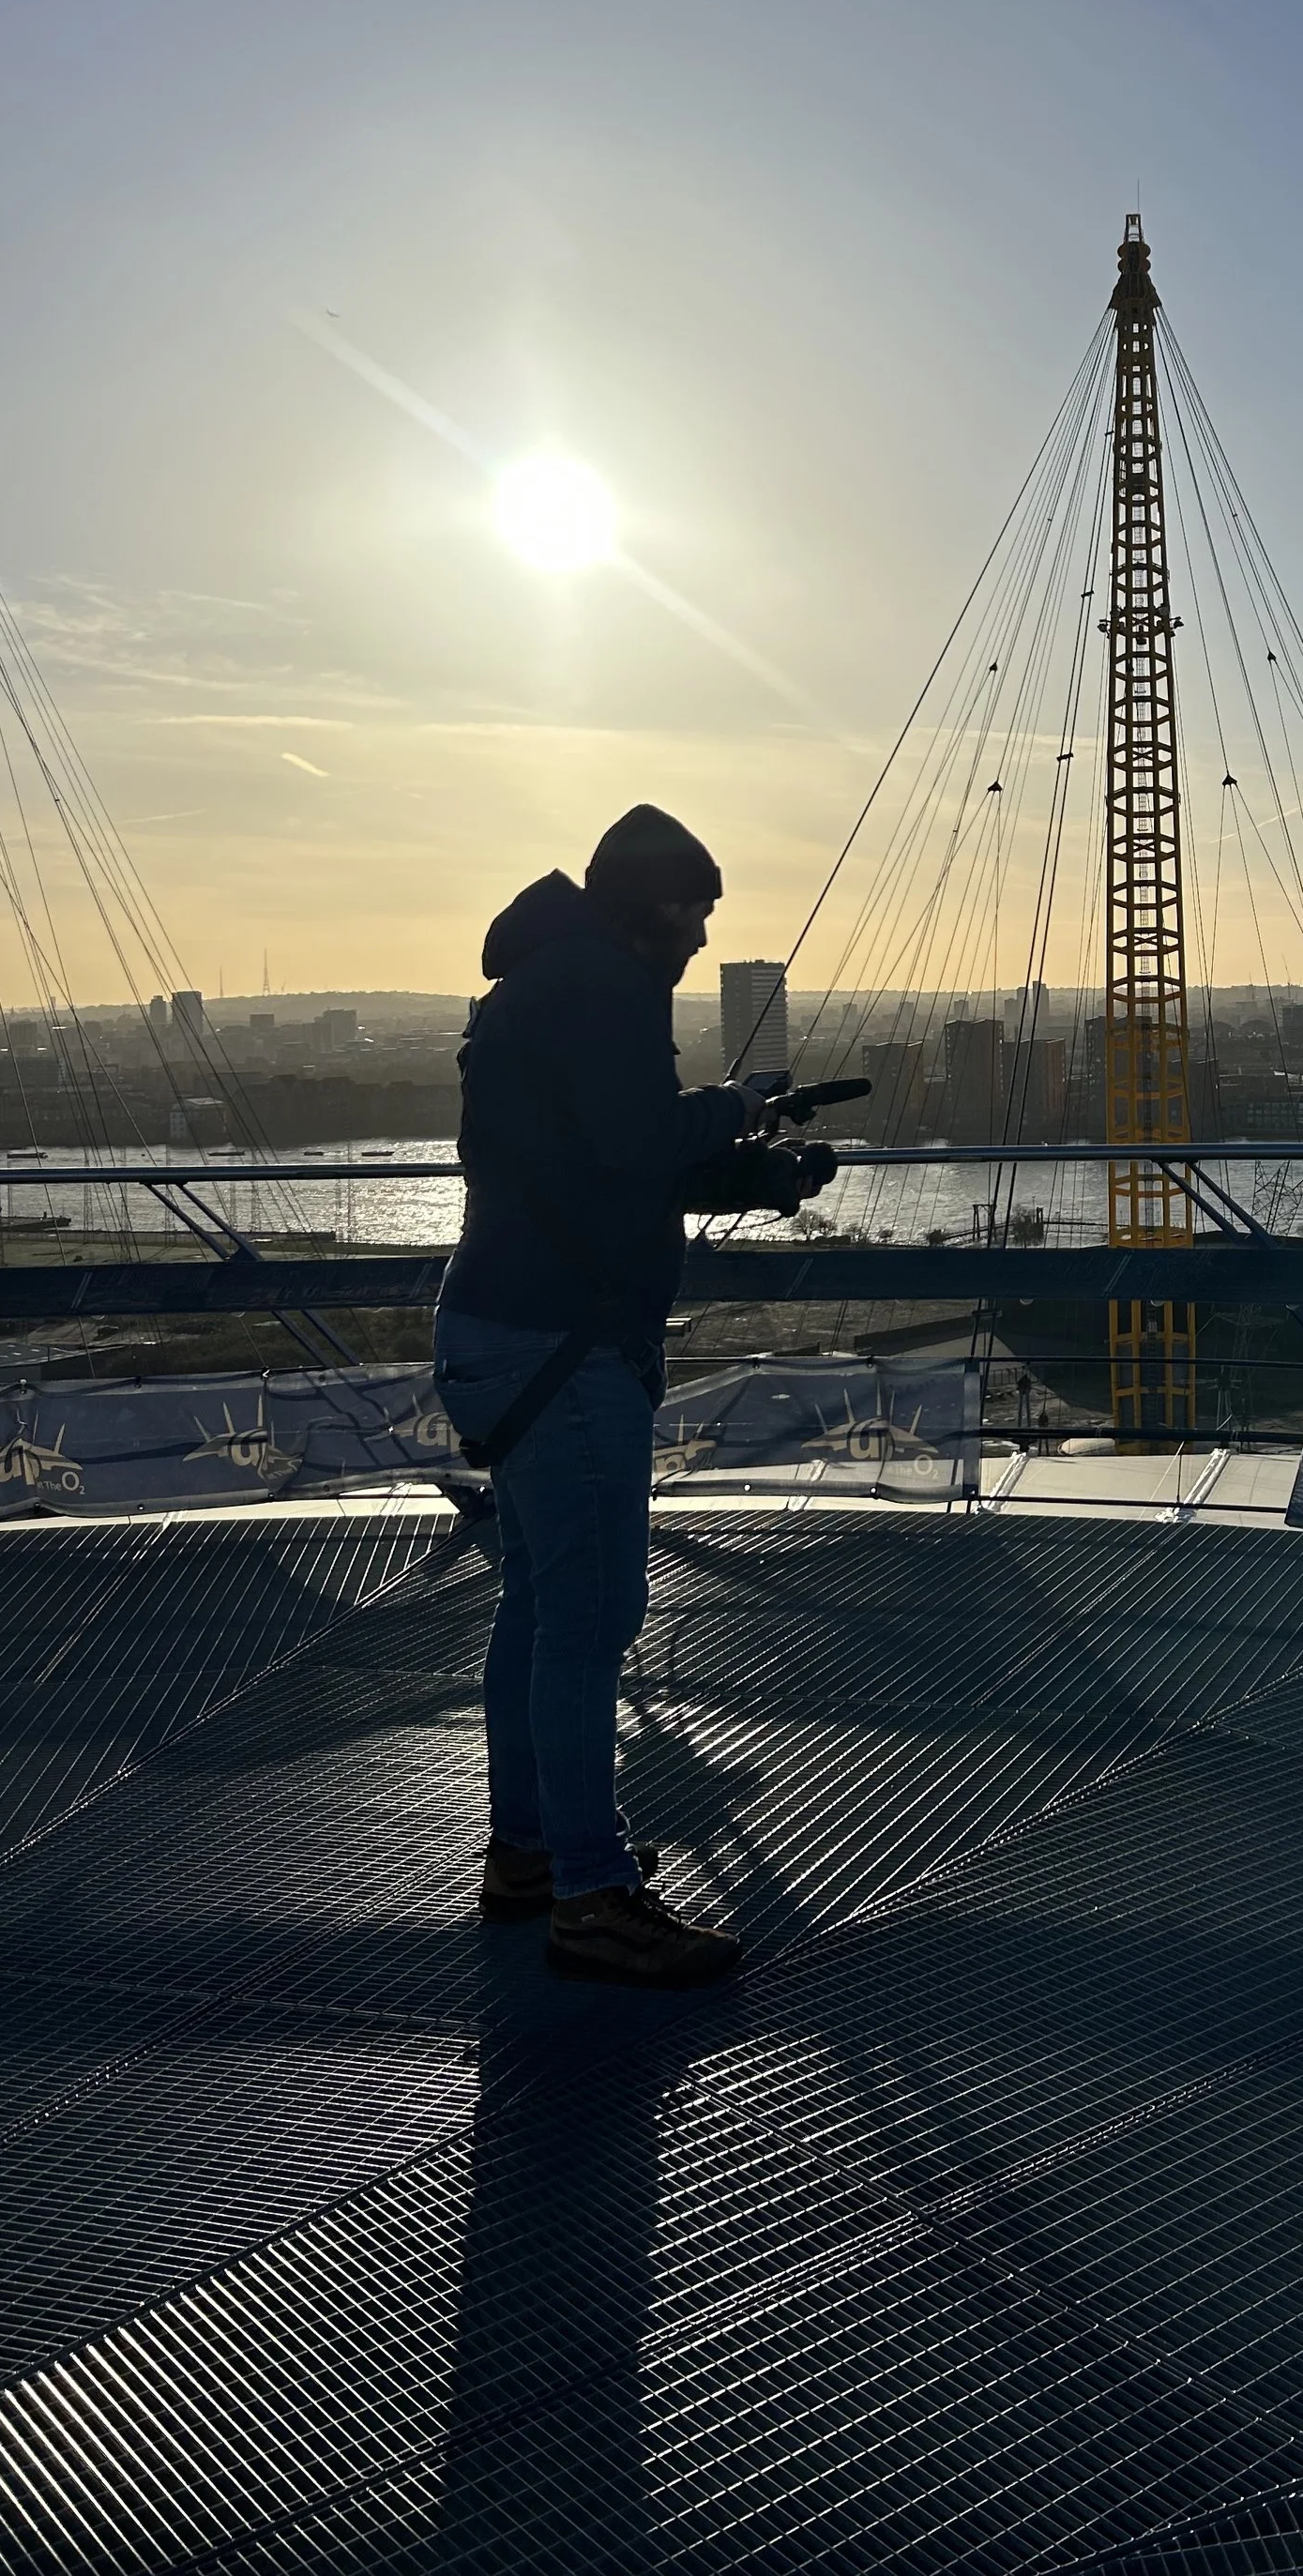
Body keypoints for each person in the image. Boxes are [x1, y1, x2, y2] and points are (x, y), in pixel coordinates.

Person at [432, 803, 835, 1983]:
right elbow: (628, 1137)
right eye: (694, 909)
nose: (703, 937)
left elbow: (592, 1155)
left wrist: (742, 1171)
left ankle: (531, 1856)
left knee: (538, 1613)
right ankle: (595, 1899)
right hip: (567, 1350)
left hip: (504, 1330)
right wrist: (741, 1108)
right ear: (650, 901)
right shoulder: (607, 983)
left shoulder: (546, 980)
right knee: (592, 1628)